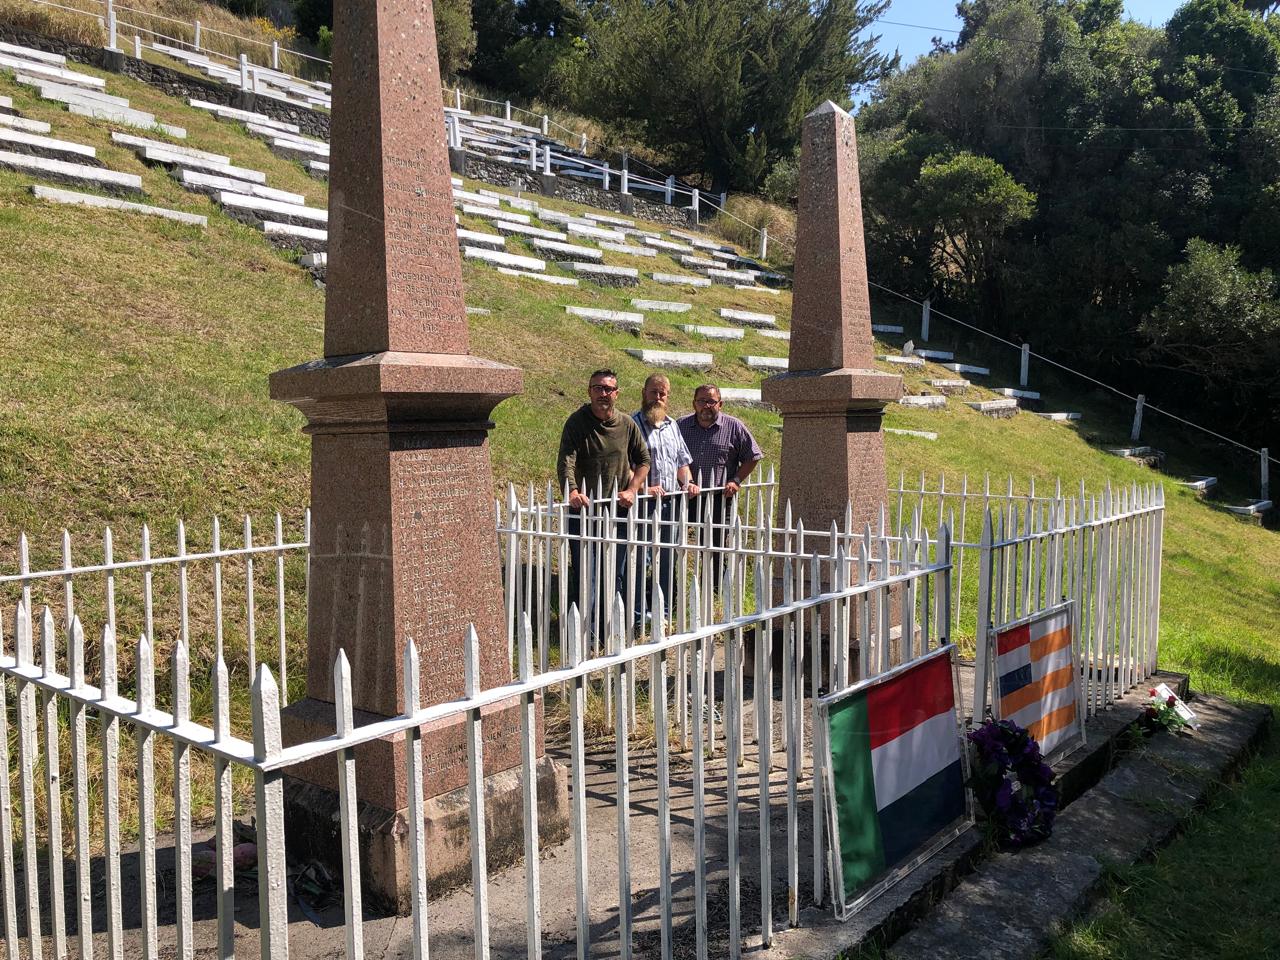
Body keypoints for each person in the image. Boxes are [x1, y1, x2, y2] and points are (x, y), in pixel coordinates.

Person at [556, 369, 650, 621]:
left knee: (614, 572)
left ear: (616, 393)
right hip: (584, 510)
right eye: (598, 388)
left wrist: (632, 489)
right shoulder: (577, 422)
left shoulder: (627, 424)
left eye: (608, 389)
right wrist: (573, 491)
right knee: (585, 572)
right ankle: (583, 628)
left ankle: (609, 624)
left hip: (617, 510)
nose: (603, 393)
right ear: (589, 391)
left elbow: (643, 460)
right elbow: (566, 460)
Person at [678, 383, 764, 585]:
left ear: (720, 404)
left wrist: (735, 480)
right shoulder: (681, 426)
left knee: (715, 547)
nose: (706, 406)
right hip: (685, 496)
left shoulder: (734, 427)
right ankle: (676, 589)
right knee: (676, 545)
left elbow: (753, 456)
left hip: (718, 499)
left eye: (711, 401)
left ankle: (715, 591)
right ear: (694, 403)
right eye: (701, 401)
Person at [631, 374, 699, 617]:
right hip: (642, 504)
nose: (657, 398)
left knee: (669, 558)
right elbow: (626, 464)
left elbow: (682, 462)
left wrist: (688, 482)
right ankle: (637, 613)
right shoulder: (632, 424)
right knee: (640, 559)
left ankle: (666, 611)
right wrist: (642, 488)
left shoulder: (673, 426)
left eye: (662, 394)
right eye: (653, 392)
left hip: (671, 504)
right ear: (644, 393)